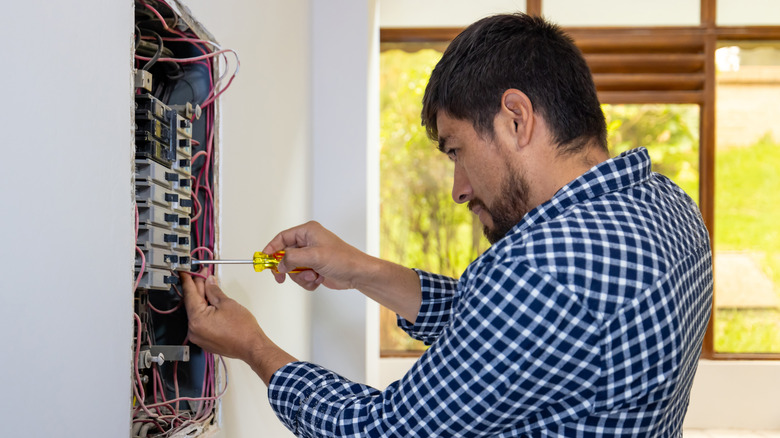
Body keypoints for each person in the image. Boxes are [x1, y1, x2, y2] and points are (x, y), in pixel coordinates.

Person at [181, 12, 713, 437]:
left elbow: (377, 431)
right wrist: (362, 270)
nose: (458, 188)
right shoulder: (667, 205)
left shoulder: (542, 271)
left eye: (456, 149)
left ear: (516, 118)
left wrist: (252, 345)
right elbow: (499, 327)